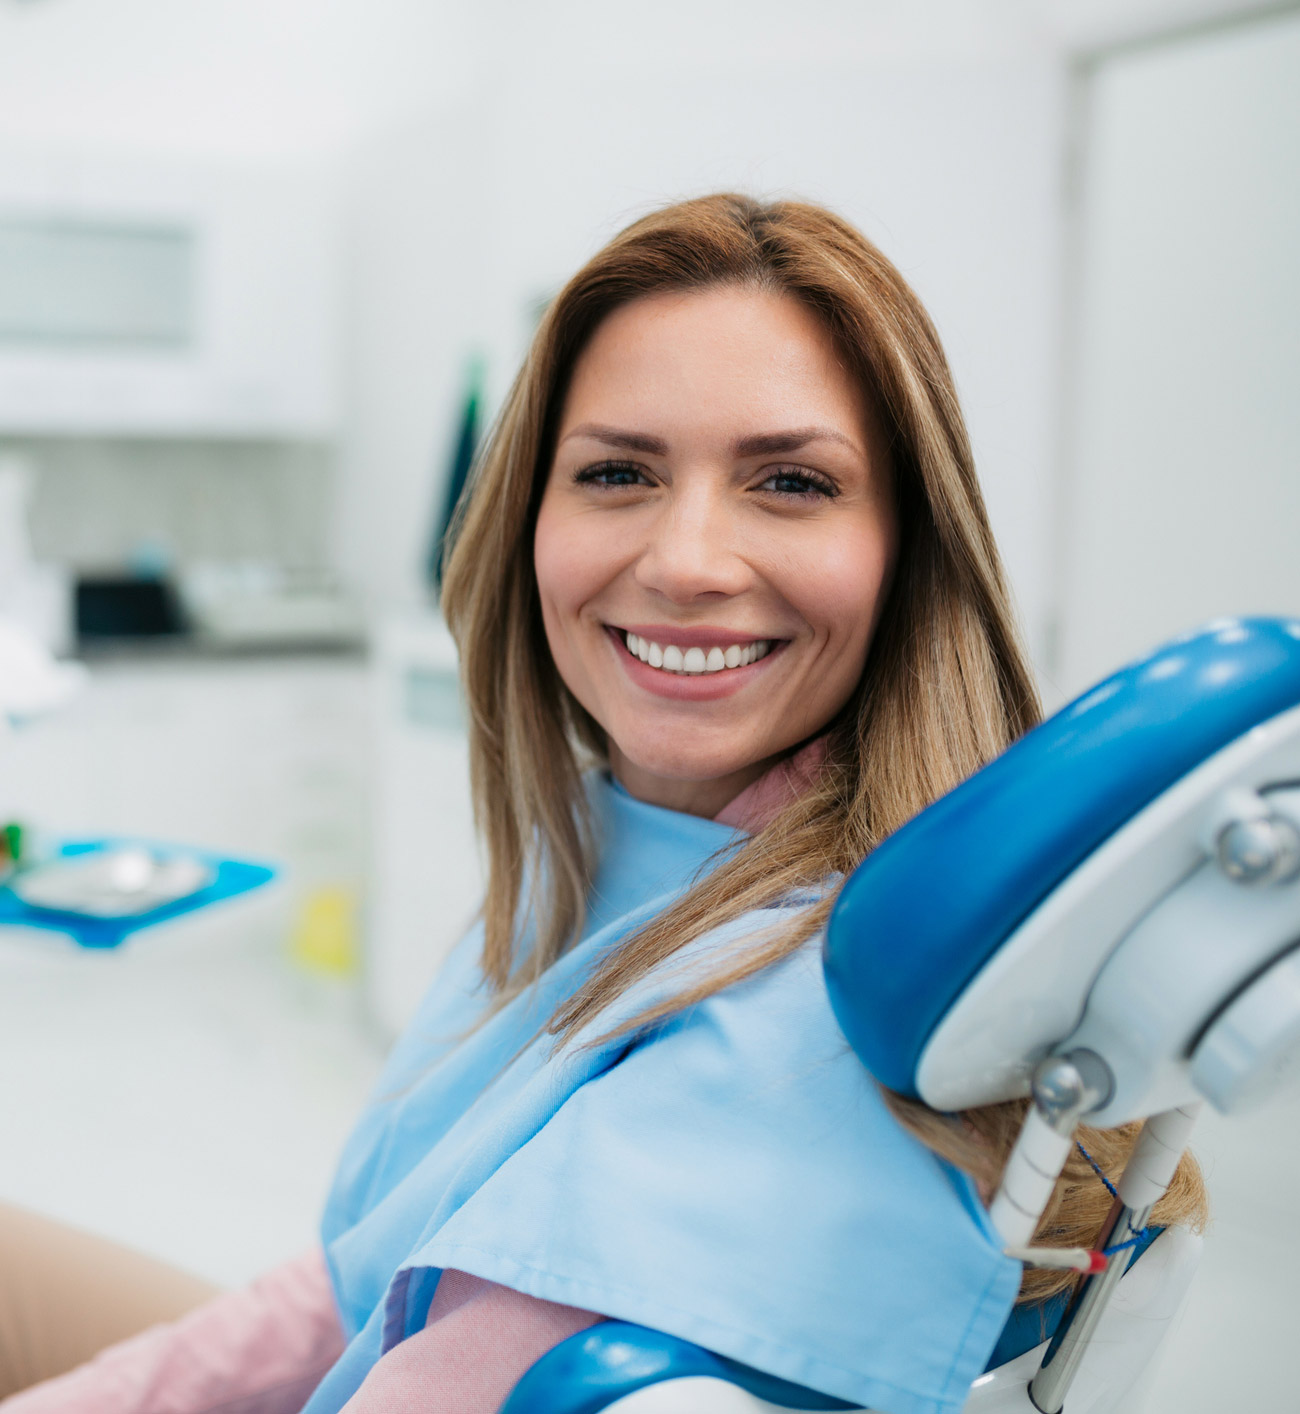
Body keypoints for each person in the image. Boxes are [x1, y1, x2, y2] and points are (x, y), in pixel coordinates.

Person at [0, 193, 1205, 1414]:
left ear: (907, 547)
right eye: (618, 471)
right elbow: (354, 1283)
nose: (685, 562)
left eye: (788, 480)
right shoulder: (609, 843)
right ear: (530, 518)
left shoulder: (822, 1013)